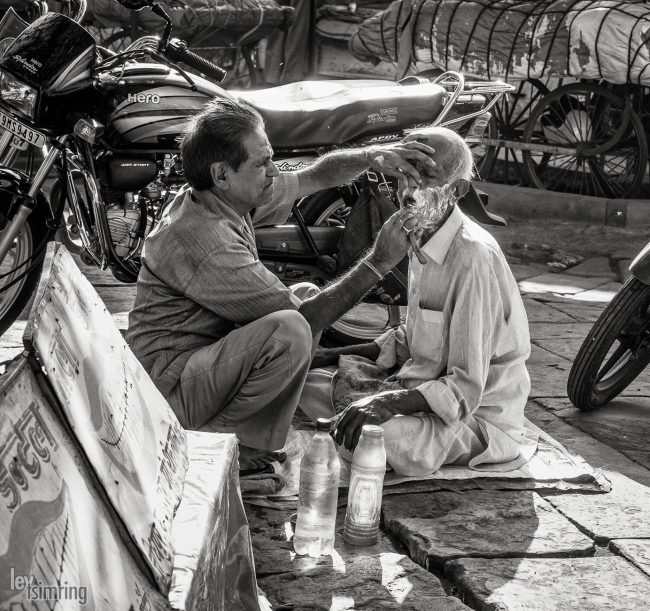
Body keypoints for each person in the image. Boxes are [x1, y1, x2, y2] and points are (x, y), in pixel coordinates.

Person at [126, 98, 435, 473]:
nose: (273, 171)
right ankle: (223, 446)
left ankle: (252, 436)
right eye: (262, 163)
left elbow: (316, 176)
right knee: (290, 329)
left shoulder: (223, 194)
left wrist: (374, 155)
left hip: (192, 366)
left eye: (270, 158)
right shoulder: (205, 238)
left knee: (303, 295)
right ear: (222, 174)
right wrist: (379, 262)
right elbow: (304, 319)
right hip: (166, 391)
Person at [302, 126, 531, 476]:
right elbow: (410, 338)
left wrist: (385, 402)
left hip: (473, 420)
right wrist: (324, 357)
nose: (410, 186)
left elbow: (465, 390)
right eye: (406, 171)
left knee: (366, 437)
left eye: (426, 175)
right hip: (414, 389)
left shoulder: (471, 257)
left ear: (456, 190)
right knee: (305, 384)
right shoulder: (419, 232)